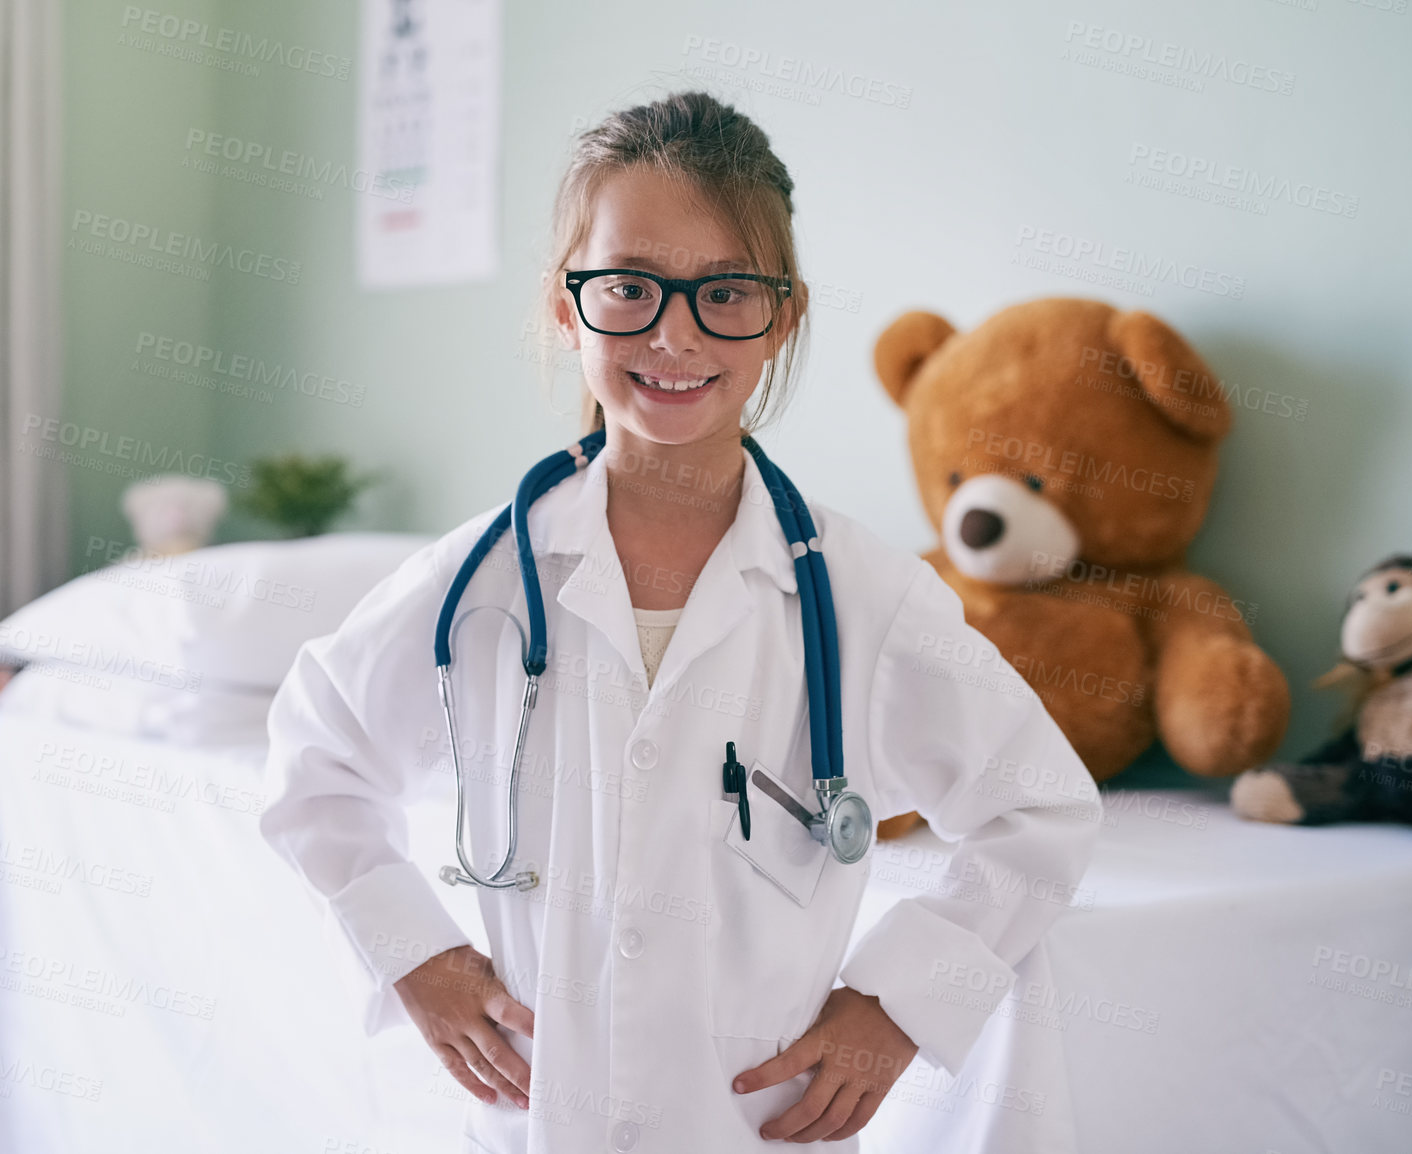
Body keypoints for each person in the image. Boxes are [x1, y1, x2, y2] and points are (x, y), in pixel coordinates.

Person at [260, 90, 1100, 1153]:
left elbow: (1039, 810)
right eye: (627, 287)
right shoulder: (477, 580)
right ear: (566, 308)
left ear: (782, 313)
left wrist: (897, 1003)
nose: (673, 332)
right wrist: (409, 952)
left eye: (725, 292)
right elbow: (313, 756)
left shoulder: (860, 593)